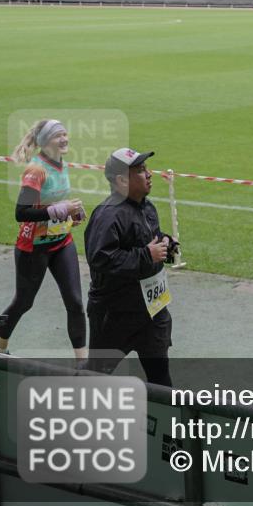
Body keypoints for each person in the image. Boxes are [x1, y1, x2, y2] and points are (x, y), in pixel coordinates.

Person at [85, 148, 177, 387]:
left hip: (152, 312)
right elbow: (101, 259)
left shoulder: (147, 207)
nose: (149, 174)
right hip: (115, 316)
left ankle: (171, 423)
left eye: (146, 168)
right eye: (140, 170)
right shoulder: (108, 215)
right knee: (95, 377)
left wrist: (166, 243)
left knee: (160, 378)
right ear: (121, 180)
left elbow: (149, 241)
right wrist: (146, 254)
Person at [0, 119, 86, 360]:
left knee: (76, 302)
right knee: (24, 302)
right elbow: (22, 213)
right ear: (46, 142)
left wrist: (71, 214)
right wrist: (58, 210)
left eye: (65, 133)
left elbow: (53, 205)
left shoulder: (60, 163)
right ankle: (0, 347)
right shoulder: (36, 170)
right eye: (59, 135)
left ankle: (83, 364)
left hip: (61, 242)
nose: (65, 138)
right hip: (33, 248)